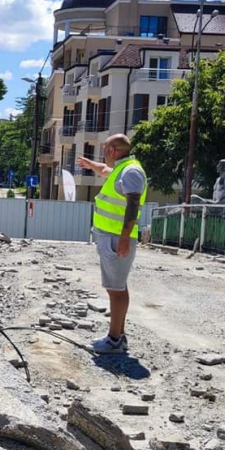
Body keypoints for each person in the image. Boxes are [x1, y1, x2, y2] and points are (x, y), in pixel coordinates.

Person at [76, 134, 147, 354]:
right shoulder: (123, 169)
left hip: (117, 239)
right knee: (118, 287)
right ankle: (119, 336)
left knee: (116, 290)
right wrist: (90, 164)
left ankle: (114, 340)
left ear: (112, 151)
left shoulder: (131, 172)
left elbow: (133, 204)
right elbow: (105, 171)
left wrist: (124, 237)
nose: (103, 154)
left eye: (104, 149)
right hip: (113, 237)